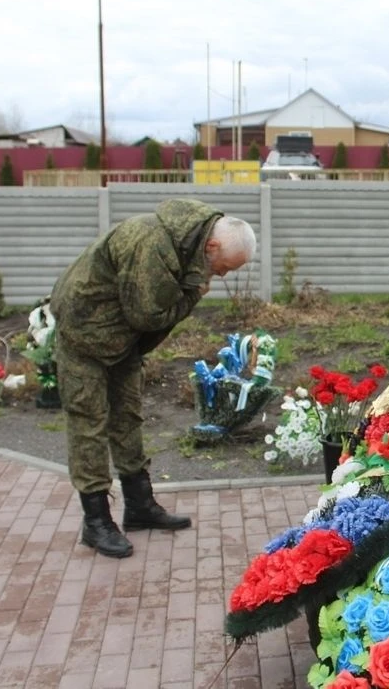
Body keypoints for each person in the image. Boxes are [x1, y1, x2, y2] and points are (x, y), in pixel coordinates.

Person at [50, 199, 257, 558]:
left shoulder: (185, 246)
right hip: (85, 335)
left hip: (121, 339)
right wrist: (192, 295)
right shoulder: (151, 244)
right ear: (211, 246)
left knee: (127, 417)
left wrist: (188, 290)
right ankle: (96, 522)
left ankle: (139, 506)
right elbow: (147, 315)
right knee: (89, 424)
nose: (222, 276)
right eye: (224, 268)